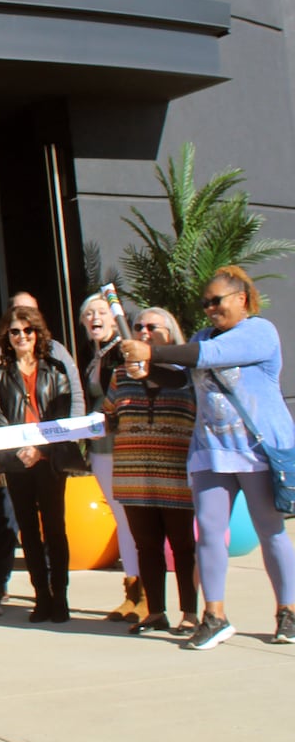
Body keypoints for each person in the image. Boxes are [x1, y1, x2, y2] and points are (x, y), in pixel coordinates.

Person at [120, 266, 295, 649]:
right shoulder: (202, 336)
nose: (210, 309)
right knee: (209, 536)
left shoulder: (259, 333)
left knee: (271, 531)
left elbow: (209, 356)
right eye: (205, 303)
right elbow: (181, 376)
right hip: (210, 451)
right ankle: (214, 615)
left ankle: (288, 611)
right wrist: (145, 368)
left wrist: (151, 350)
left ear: (241, 299)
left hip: (257, 450)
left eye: (217, 301)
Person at [102, 308, 198, 636]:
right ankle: (155, 611)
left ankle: (190, 613)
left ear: (169, 334)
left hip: (176, 474)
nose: (143, 330)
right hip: (133, 474)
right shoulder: (120, 375)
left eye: (151, 326)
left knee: (183, 546)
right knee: (146, 546)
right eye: (139, 325)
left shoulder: (189, 375)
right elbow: (109, 414)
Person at [0, 306, 76, 624]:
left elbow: (62, 416)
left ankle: (60, 596)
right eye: (15, 332)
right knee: (28, 531)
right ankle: (41, 597)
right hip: (17, 462)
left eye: (27, 330)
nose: (22, 336)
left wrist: (40, 449)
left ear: (37, 333)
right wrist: (20, 450)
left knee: (55, 529)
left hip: (49, 460)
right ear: (6, 337)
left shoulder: (56, 369)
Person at [79, 293, 144, 623]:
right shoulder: (95, 357)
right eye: (89, 314)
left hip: (125, 448)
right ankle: (131, 593)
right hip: (102, 450)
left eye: (101, 312)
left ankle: (146, 596)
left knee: (135, 521)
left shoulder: (123, 350)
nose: (95, 318)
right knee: (123, 522)